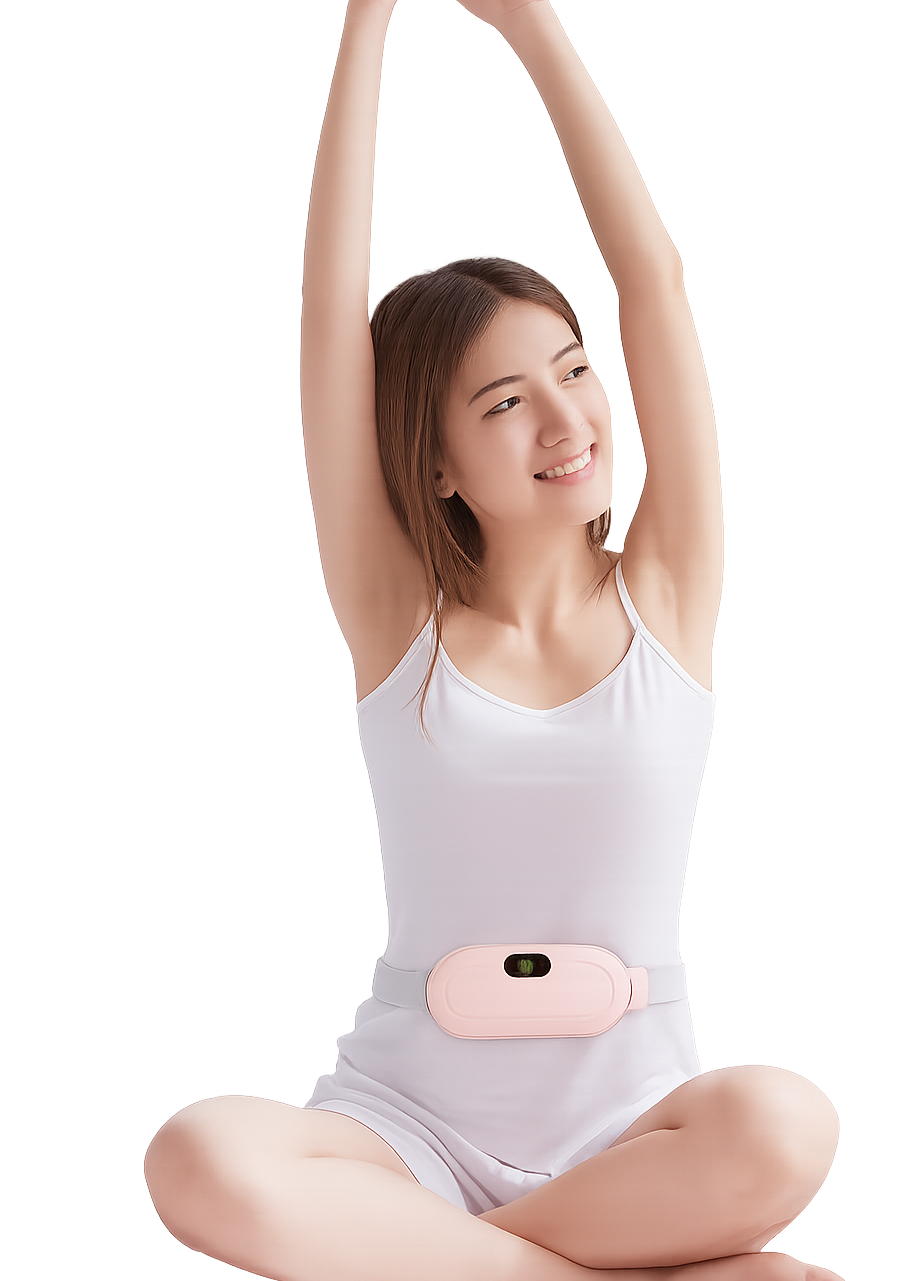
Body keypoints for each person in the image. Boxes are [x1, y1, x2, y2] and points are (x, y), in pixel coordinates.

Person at [143, 3, 842, 1278]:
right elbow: (324, 321)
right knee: (196, 1153)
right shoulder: (397, 622)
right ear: (439, 462)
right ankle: (584, 1273)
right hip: (402, 1124)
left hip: (629, 1122)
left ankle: (432, 1265)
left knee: (788, 1122)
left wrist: (535, 27)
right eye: (505, 402)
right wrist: (362, 25)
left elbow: (655, 284)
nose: (566, 419)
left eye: (573, 374)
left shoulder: (669, 595)